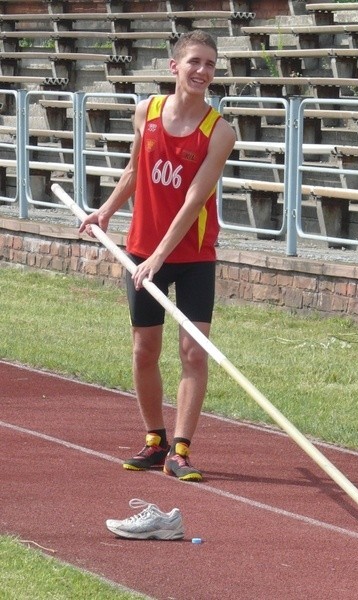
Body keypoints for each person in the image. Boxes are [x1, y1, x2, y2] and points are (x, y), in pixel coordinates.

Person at [79, 30, 236, 482]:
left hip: (192, 256)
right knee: (144, 348)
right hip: (141, 249)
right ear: (174, 67)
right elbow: (135, 169)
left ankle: (181, 451)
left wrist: (160, 257)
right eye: (195, 62)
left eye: (210, 63)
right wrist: (105, 212)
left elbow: (193, 202)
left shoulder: (219, 132)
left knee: (193, 351)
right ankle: (154, 440)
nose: (203, 71)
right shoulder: (145, 111)